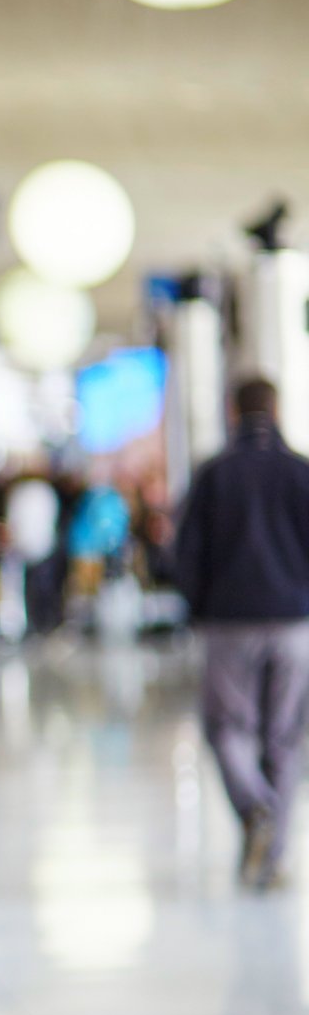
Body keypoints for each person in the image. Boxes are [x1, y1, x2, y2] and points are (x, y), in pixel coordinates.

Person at [174, 377, 309, 892]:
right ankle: (271, 858)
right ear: (276, 410)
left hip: (228, 621)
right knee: (285, 736)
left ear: (232, 410)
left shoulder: (214, 475)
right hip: (293, 619)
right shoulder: (300, 473)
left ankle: (254, 808)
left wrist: (199, 606)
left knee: (229, 729)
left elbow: (185, 553)